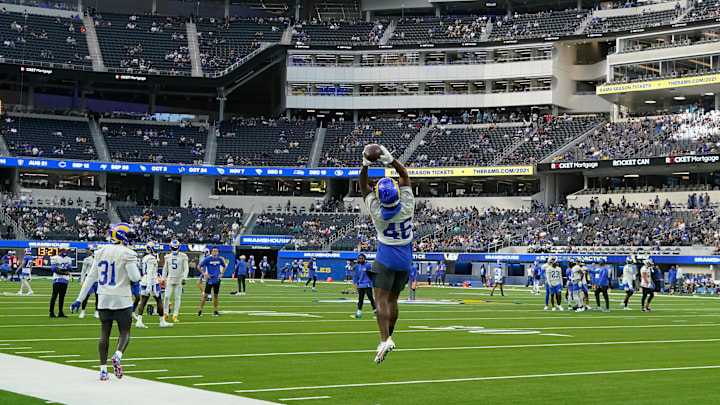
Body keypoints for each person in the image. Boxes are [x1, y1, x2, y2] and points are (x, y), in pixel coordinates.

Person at [359, 144, 414, 364]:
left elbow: (362, 186)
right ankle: (390, 334)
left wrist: (365, 164)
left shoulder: (377, 212)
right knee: (393, 300)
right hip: (406, 259)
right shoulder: (408, 204)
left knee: (380, 298)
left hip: (386, 257)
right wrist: (391, 159)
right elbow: (404, 175)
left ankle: (384, 339)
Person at [70, 223, 141, 381]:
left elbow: (91, 277)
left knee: (104, 333)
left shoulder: (100, 252)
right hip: (122, 297)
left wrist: (79, 299)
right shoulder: (128, 253)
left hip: (103, 297)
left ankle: (102, 370)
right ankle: (117, 355)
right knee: (124, 331)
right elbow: (135, 277)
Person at [135, 242, 173, 328]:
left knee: (143, 301)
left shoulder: (145, 257)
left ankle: (139, 321)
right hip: (151, 282)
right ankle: (162, 321)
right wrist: (150, 286)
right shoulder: (151, 259)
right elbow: (150, 273)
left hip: (145, 280)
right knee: (159, 300)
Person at [162, 240, 189, 323]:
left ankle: (175, 315)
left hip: (179, 279)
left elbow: (186, 268)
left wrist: (184, 278)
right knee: (166, 296)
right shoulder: (167, 257)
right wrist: (163, 279)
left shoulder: (183, 256)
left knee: (177, 297)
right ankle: (166, 313)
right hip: (170, 278)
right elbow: (165, 268)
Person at [197, 246, 225, 317]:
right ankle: (200, 311)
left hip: (217, 280)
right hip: (210, 280)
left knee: (216, 295)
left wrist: (221, 273)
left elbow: (224, 266)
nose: (215, 252)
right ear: (211, 252)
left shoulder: (220, 259)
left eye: (216, 251)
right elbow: (199, 266)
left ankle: (215, 311)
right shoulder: (208, 259)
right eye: (214, 251)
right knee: (205, 295)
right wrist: (204, 274)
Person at [351, 254, 376, 319]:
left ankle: (376, 312)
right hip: (361, 285)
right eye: (360, 258)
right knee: (360, 300)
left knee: (371, 299)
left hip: (367, 284)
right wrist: (356, 285)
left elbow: (372, 272)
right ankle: (358, 313)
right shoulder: (358, 266)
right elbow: (356, 276)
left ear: (364, 259)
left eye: (362, 258)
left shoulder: (367, 265)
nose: (361, 259)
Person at [49, 249, 72, 318]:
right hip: (57, 279)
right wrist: (64, 272)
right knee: (54, 296)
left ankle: (60, 312)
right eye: (66, 250)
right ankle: (51, 312)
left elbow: (70, 269)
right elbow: (54, 269)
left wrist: (61, 269)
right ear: (61, 250)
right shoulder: (55, 258)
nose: (67, 252)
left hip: (65, 280)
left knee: (62, 297)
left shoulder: (68, 259)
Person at [79, 246, 99, 319]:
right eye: (93, 250)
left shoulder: (100, 259)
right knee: (86, 296)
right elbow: (83, 271)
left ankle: (96, 312)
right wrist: (82, 281)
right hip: (89, 279)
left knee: (98, 297)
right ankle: (82, 311)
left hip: (98, 279)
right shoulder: (87, 260)